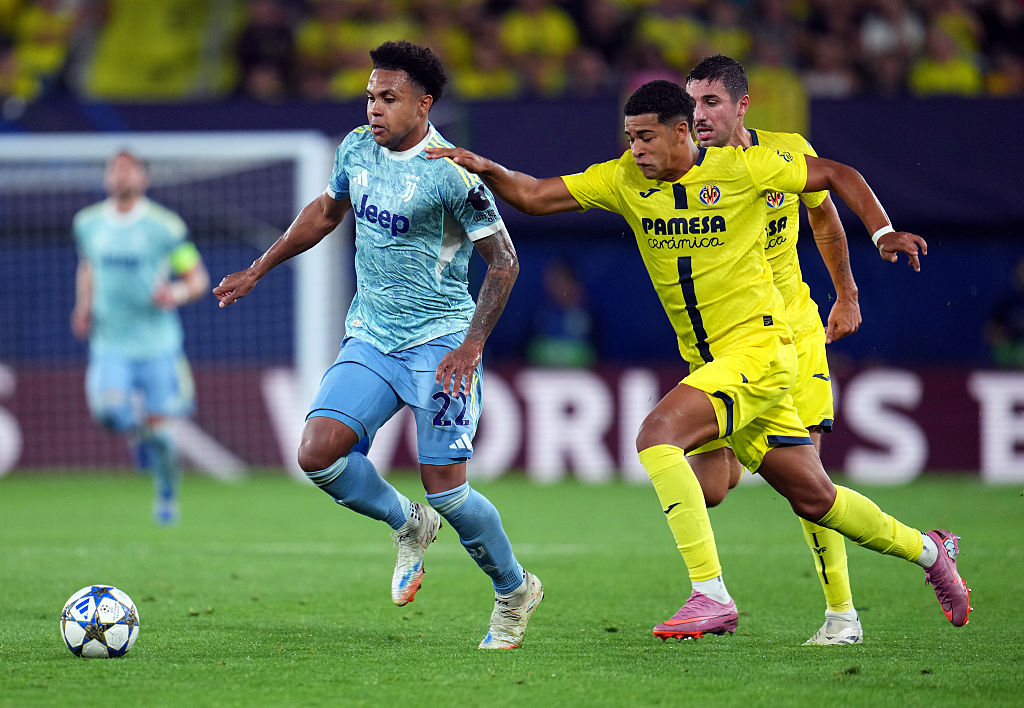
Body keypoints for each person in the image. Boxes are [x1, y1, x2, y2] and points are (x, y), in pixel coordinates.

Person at [425, 79, 971, 643]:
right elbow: (536, 196)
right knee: (805, 496)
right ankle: (932, 551)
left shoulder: (744, 169)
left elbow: (836, 176)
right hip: (711, 362)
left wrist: (880, 232)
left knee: (656, 435)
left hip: (760, 348)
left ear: (681, 132)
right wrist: (485, 167)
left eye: (645, 137)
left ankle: (711, 595)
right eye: (629, 137)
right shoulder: (624, 179)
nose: (635, 149)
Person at [213, 41, 542, 650]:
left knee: (449, 488)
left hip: (440, 343)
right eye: (370, 96)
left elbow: (504, 262)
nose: (374, 109)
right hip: (372, 334)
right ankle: (407, 523)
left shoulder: (453, 173)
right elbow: (326, 210)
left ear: (424, 104)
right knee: (318, 453)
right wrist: (259, 268)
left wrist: (471, 347)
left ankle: (514, 588)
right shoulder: (356, 148)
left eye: (388, 99)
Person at [684, 54, 870, 645]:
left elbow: (826, 222)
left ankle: (841, 615)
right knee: (711, 487)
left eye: (711, 102)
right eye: (692, 103)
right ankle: (708, 589)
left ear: (742, 105)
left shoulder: (786, 151)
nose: (699, 115)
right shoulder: (686, 166)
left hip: (793, 329)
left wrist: (846, 295)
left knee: (809, 485)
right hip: (727, 339)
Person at [71, 150, 210, 525]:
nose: (120, 176)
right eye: (114, 169)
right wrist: (82, 305)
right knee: (109, 413)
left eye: (128, 170)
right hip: (111, 341)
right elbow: (88, 265)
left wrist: (175, 294)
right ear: (106, 178)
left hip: (156, 345)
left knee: (164, 437)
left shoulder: (164, 227)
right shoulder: (88, 223)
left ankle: (167, 497)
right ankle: (140, 430)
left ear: (143, 179)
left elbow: (196, 279)